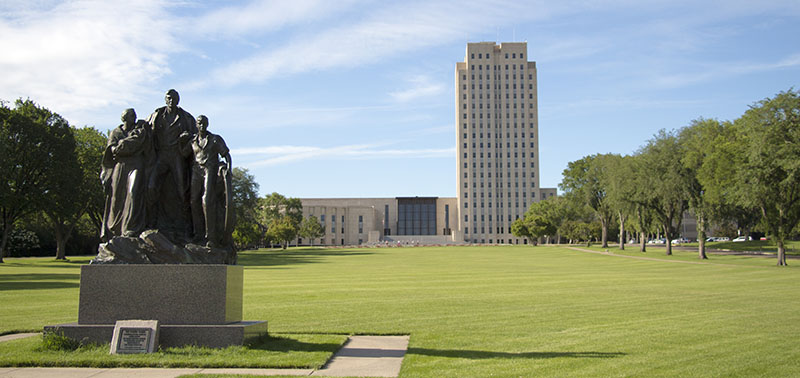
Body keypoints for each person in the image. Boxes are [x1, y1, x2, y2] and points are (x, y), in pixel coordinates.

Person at [146, 89, 196, 234]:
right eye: (169, 98)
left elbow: (195, 136)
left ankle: (187, 226)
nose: (171, 101)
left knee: (182, 190)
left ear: (178, 100)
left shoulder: (186, 118)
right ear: (165, 100)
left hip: (177, 156)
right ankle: (150, 222)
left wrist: (186, 137)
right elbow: (145, 132)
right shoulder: (156, 116)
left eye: (174, 98)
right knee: (151, 187)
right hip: (161, 155)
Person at [184, 115, 232, 247]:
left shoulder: (215, 139)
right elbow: (183, 154)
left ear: (207, 124)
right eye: (199, 123)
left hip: (210, 169)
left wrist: (228, 169)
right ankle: (198, 234)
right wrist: (180, 140)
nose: (202, 126)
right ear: (196, 125)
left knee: (207, 200)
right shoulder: (192, 141)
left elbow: (226, 155)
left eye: (204, 123)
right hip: (196, 171)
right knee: (194, 200)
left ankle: (211, 236)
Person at [101, 108, 148, 240]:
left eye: (134, 115)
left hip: (136, 164)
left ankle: (130, 228)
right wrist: (124, 146)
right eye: (130, 116)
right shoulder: (115, 132)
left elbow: (138, 142)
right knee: (117, 197)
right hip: (120, 166)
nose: (134, 117)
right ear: (124, 118)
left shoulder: (140, 129)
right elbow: (113, 150)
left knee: (133, 193)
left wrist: (122, 145)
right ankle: (115, 229)